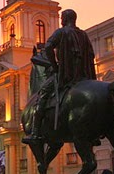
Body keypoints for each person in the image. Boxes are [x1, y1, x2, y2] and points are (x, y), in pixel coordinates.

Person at [25, 9, 96, 143]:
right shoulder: (83, 34)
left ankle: (35, 132)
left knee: (43, 94)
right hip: (84, 75)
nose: (61, 20)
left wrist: (55, 66)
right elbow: (91, 55)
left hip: (66, 74)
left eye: (62, 18)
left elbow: (48, 47)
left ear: (65, 19)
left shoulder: (61, 32)